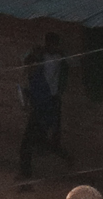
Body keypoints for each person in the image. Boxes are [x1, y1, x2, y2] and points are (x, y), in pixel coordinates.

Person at [16, 34, 70, 185]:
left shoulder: (50, 66)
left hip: (45, 106)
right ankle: (61, 157)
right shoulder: (38, 71)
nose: (28, 69)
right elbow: (25, 58)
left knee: (30, 141)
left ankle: (26, 173)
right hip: (43, 105)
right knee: (39, 139)